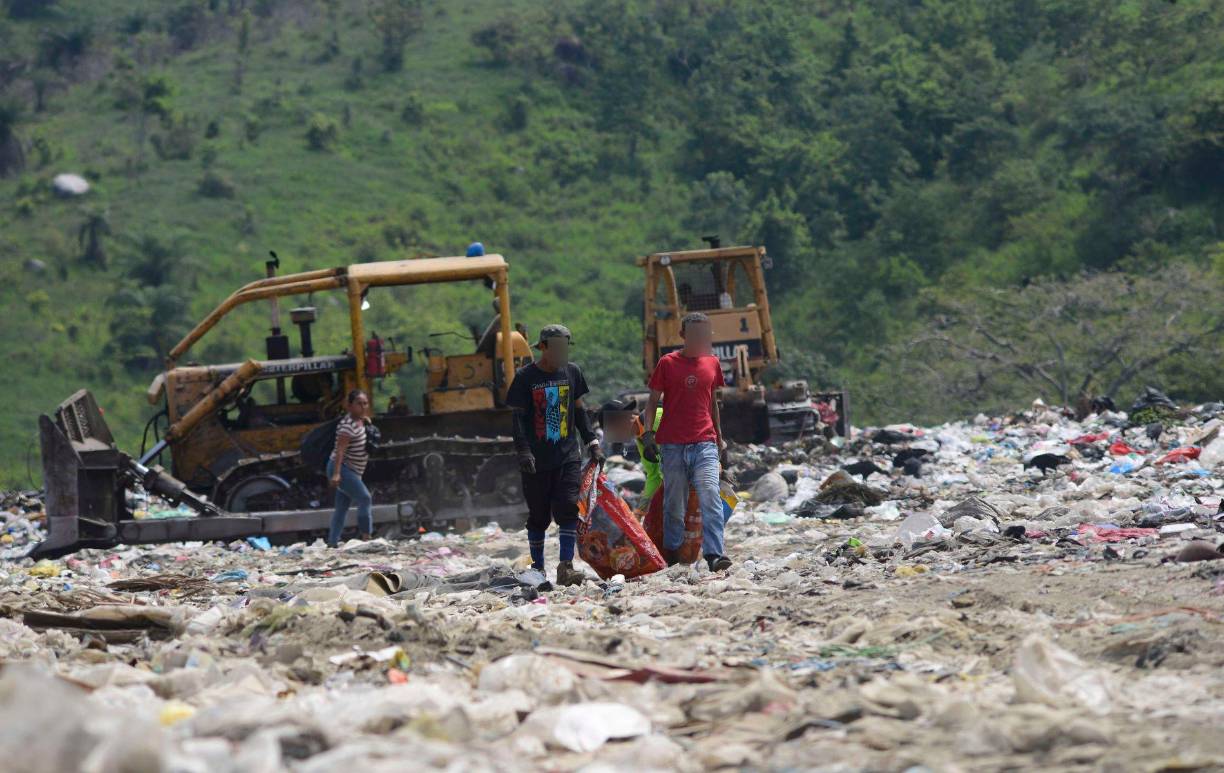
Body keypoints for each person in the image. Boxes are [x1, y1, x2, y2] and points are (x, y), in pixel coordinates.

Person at [506, 324, 604, 586]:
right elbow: (517, 420)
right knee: (538, 516)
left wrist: (592, 442)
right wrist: (524, 451)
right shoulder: (525, 377)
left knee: (568, 508)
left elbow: (579, 412)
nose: (562, 352)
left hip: (567, 455)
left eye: (565, 347)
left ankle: (566, 566)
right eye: (557, 347)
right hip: (537, 460)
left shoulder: (572, 372)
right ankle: (538, 569)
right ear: (544, 348)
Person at [640, 312, 732, 571]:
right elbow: (651, 403)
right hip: (672, 445)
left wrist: (720, 440)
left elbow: (712, 402)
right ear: (683, 336)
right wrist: (648, 435)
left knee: (710, 496)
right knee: (674, 504)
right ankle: (671, 552)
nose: (701, 339)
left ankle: (714, 555)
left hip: (704, 443)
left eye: (705, 334)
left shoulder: (713, 363)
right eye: (696, 335)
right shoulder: (667, 364)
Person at [327, 389, 374, 547]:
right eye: (359, 404)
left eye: (365, 403)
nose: (363, 407)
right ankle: (367, 537)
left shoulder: (361, 421)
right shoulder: (347, 426)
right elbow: (340, 450)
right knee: (365, 498)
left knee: (341, 507)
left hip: (353, 470)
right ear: (350, 406)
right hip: (343, 469)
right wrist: (336, 474)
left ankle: (332, 542)